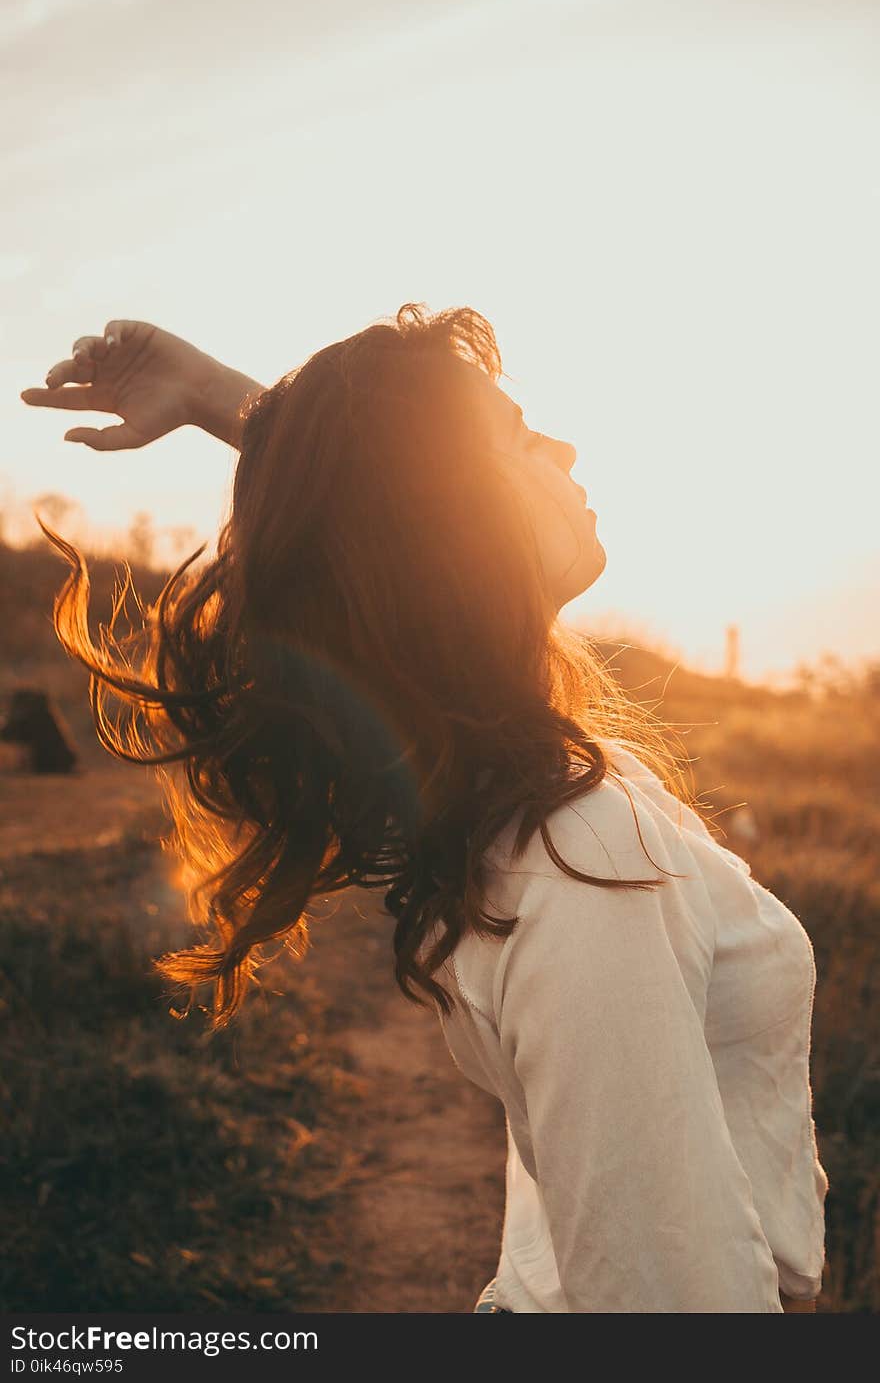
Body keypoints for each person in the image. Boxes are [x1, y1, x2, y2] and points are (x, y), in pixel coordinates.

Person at [20, 306, 827, 1313]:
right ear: (450, 527)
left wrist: (227, 398)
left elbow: (368, 496)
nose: (564, 444)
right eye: (520, 438)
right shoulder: (580, 856)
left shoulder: (515, 781)